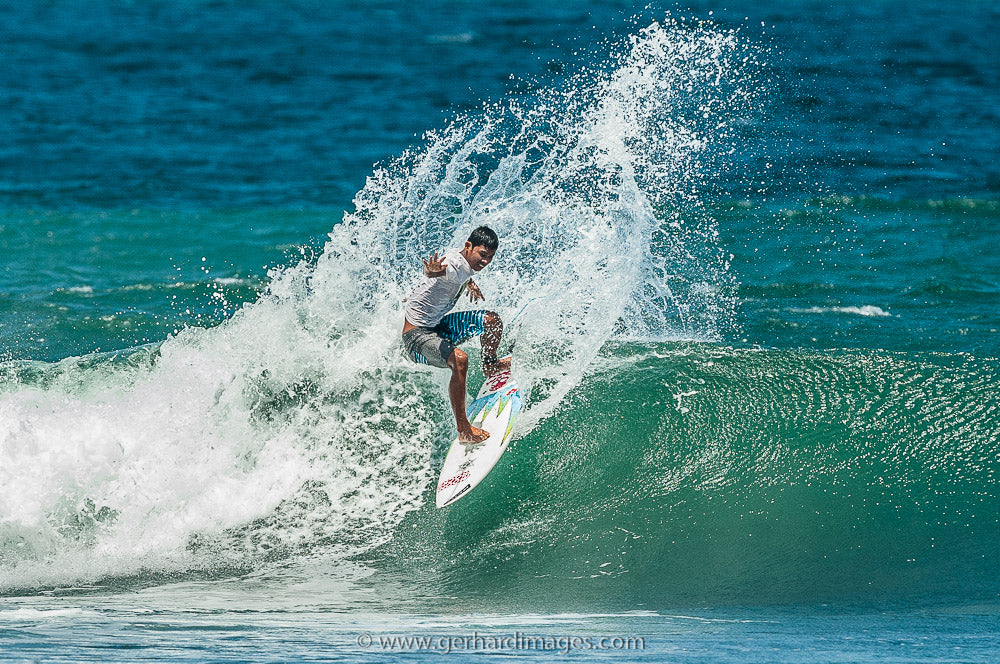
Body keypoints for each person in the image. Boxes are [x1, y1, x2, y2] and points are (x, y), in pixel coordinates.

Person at [402, 226, 510, 444]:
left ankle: (490, 364)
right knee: (459, 360)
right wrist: (432, 271)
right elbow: (441, 271)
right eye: (482, 254)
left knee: (491, 321)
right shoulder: (452, 263)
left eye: (490, 257)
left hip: (437, 326)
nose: (486, 261)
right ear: (468, 246)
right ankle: (464, 429)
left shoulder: (464, 263)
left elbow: (459, 273)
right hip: (416, 337)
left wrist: (470, 283)